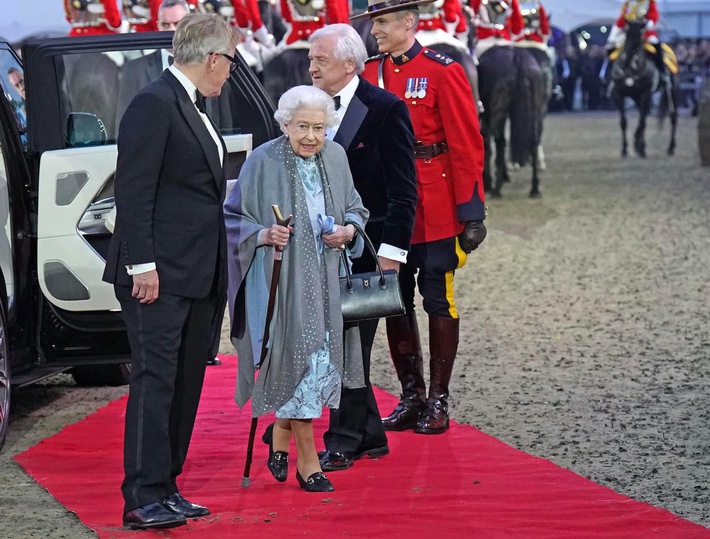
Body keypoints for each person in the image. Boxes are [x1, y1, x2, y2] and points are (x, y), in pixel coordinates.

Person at [102, 13, 236, 529]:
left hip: (197, 273)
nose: (229, 72)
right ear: (212, 59)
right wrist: (142, 264)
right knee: (155, 381)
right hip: (155, 274)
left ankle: (167, 486)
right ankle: (141, 496)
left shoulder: (193, 105)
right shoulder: (153, 104)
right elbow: (132, 191)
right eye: (229, 62)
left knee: (183, 384)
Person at [224, 85, 368, 492]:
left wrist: (348, 230)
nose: (310, 136)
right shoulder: (262, 161)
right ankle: (309, 462)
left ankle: (281, 434)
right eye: (302, 126)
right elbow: (232, 218)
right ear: (285, 124)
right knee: (298, 360)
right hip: (283, 283)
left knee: (320, 360)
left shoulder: (336, 157)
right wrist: (264, 233)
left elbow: (356, 206)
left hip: (327, 280)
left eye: (319, 128)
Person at [355, 0, 487, 435]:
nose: (375, 31)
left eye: (383, 23)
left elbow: (466, 142)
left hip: (434, 204)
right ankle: (411, 397)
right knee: (394, 298)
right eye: (373, 23)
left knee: (438, 300)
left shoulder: (441, 70)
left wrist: (471, 210)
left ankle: (439, 400)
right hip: (389, 206)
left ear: (409, 23)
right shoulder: (370, 72)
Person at [305, 24, 418, 471]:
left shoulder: (387, 109)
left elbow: (404, 193)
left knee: (347, 345)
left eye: (320, 60)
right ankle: (369, 435)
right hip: (316, 250)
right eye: (310, 59)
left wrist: (391, 256)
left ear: (350, 64)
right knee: (338, 340)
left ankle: (344, 438)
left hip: (370, 251)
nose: (311, 66)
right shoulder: (306, 106)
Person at [606, 0, 669, 81]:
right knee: (612, 48)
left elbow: (654, 15)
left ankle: (662, 71)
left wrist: (648, 24)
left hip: (645, 33)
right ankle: (610, 74)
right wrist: (614, 35)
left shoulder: (649, 2)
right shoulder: (627, 4)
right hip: (629, 34)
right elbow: (622, 20)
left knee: (656, 45)